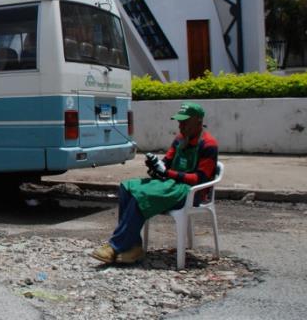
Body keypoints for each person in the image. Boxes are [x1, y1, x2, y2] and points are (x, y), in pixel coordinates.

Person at [91, 102, 219, 264]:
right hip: (170, 185)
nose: (181, 125)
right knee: (127, 187)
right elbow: (167, 162)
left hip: (191, 192)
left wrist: (167, 173)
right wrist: (155, 165)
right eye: (179, 121)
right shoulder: (180, 139)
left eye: (185, 122)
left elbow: (200, 179)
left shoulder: (208, 144)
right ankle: (133, 246)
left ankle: (116, 246)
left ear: (198, 122)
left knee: (142, 195)